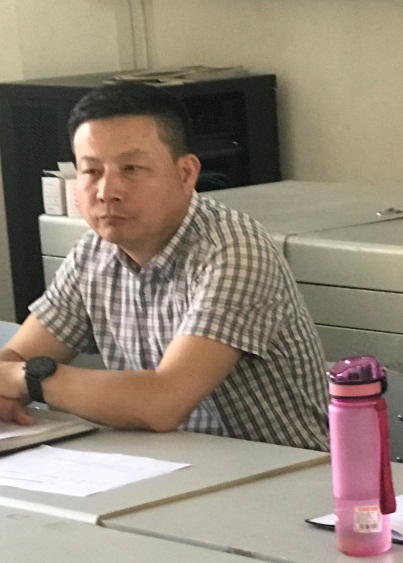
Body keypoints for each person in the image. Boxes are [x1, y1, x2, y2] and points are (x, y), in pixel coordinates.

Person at [0, 82, 329, 452]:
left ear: (186, 174)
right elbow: (15, 358)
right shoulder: (93, 252)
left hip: (284, 471)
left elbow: (162, 403)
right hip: (168, 463)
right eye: (91, 171)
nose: (107, 191)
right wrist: (10, 383)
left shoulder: (234, 251)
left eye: (131, 168)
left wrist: (28, 380)